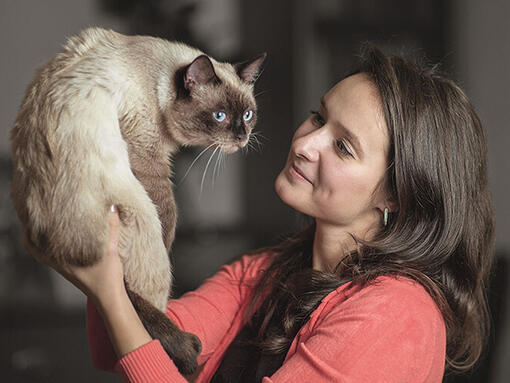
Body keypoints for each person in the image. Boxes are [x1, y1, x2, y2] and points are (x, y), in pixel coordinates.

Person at [29, 45, 494, 382]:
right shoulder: (262, 274)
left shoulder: (396, 316)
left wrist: (110, 292)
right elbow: (127, 348)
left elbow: (125, 326)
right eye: (317, 117)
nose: (305, 143)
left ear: (395, 195)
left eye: (344, 147)